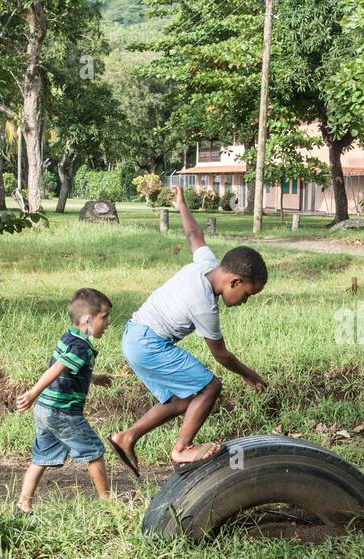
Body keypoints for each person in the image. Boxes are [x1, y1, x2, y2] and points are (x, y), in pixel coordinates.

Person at [107, 185, 267, 477]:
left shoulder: (206, 265)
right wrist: (248, 373)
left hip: (134, 336)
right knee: (210, 386)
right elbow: (221, 355)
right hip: (149, 342)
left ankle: (127, 437)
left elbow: (194, 235)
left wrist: (181, 204)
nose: (243, 302)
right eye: (246, 294)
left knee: (181, 400)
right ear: (233, 281)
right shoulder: (205, 304)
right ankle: (182, 449)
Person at [14, 288, 115, 514]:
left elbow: (69, 370)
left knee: (41, 458)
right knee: (95, 451)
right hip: (62, 411)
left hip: (45, 410)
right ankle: (107, 503)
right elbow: (57, 369)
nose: (108, 323)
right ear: (88, 320)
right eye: (104, 317)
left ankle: (23, 504)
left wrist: (94, 378)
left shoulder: (70, 335)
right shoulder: (81, 347)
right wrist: (32, 393)